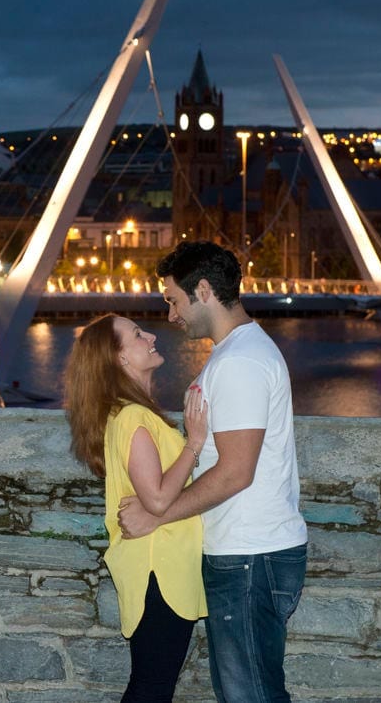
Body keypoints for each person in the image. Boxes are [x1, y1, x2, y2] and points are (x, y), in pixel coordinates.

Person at [117, 241, 308, 703]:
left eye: (173, 300)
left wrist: (156, 515)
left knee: (251, 695)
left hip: (251, 556)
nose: (170, 315)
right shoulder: (236, 354)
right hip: (248, 553)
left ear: (202, 290)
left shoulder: (240, 361)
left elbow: (236, 471)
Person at [65, 313, 209, 703]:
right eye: (137, 334)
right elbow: (158, 498)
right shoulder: (133, 417)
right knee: (151, 688)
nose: (150, 336)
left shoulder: (127, 415)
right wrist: (194, 443)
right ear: (119, 359)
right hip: (158, 571)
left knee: (151, 686)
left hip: (156, 570)